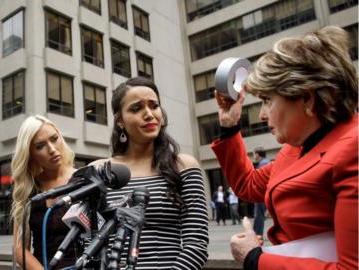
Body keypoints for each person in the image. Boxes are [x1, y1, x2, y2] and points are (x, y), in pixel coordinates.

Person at [211, 26, 358, 269]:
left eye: (267, 100)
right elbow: (247, 185)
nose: (261, 114)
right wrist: (229, 126)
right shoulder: (295, 148)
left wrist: (256, 259)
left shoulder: (353, 149)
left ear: (307, 99)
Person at [96, 77, 209, 269]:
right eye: (136, 108)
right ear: (120, 121)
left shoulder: (183, 165)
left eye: (154, 106)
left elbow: (196, 245)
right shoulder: (100, 170)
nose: (149, 114)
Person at [10, 115, 79, 270]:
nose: (52, 149)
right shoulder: (28, 189)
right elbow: (19, 248)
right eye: (40, 146)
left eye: (54, 139)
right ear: (30, 154)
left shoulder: (84, 180)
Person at [252, 147, 270, 236]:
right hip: (264, 193)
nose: (254, 156)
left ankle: (257, 235)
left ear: (257, 154)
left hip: (261, 194)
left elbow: (261, 180)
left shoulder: (263, 164)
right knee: (259, 215)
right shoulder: (266, 162)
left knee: (258, 215)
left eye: (254, 154)